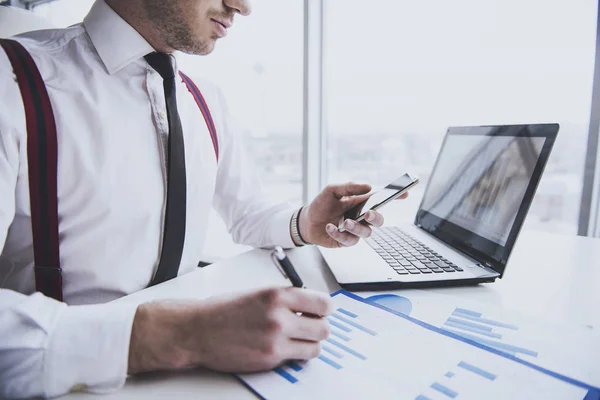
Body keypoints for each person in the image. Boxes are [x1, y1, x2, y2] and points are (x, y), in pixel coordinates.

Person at [0, 0, 406, 398]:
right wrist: (180, 335)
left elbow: (247, 212)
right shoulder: (12, 78)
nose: (242, 6)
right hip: (61, 385)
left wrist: (306, 222)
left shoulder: (205, 99)